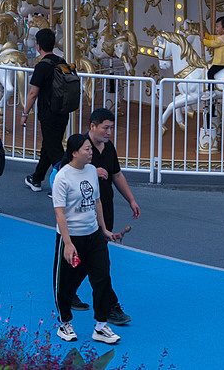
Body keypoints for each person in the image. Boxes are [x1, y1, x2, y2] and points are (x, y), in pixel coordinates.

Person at [51, 133, 124, 345]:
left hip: (93, 236)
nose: (91, 153)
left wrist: (104, 230)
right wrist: (68, 243)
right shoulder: (62, 177)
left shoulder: (92, 171)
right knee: (65, 282)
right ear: (74, 152)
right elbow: (60, 214)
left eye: (91, 149)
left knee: (102, 278)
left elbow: (97, 202)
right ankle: (64, 323)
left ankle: (101, 326)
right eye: (87, 149)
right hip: (71, 237)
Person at [68, 107, 138, 325]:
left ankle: (67, 291)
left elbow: (116, 174)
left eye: (111, 128)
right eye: (105, 128)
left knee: (89, 259)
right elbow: (64, 173)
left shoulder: (108, 148)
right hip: (84, 213)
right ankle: (111, 306)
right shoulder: (79, 148)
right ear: (93, 127)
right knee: (100, 263)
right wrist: (91, 171)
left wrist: (131, 199)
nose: (109, 132)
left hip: (104, 210)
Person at [21, 28, 70, 193]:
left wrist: (25, 113)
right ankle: (36, 178)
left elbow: (33, 93)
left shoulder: (42, 66)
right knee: (49, 146)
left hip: (48, 114)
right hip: (63, 111)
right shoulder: (62, 62)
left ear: (38, 46)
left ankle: (64, 185)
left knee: (55, 149)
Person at [201, 16, 224, 81]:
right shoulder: (222, 36)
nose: (216, 28)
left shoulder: (223, 38)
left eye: (217, 27)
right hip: (220, 61)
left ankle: (211, 89)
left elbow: (213, 43)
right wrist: (206, 36)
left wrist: (204, 41)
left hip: (222, 62)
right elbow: (213, 37)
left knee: (210, 73)